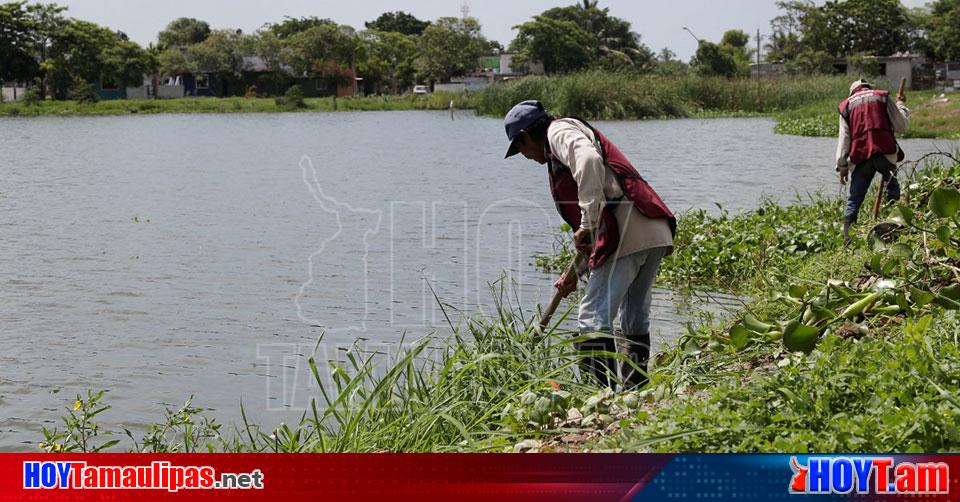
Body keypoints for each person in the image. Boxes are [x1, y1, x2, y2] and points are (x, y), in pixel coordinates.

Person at [503, 100, 675, 389]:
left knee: (593, 317)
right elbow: (594, 237)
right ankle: (635, 393)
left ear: (525, 136)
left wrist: (586, 222)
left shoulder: (558, 131)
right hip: (651, 227)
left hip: (627, 229)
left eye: (519, 148)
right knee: (633, 318)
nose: (525, 156)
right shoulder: (560, 143)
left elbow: (589, 162)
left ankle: (600, 397)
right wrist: (572, 274)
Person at [836, 79, 910, 242]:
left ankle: (848, 238)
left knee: (855, 198)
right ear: (868, 88)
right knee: (893, 188)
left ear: (853, 92)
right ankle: (892, 226)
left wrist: (842, 168)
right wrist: (901, 104)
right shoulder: (882, 97)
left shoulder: (846, 106)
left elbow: (844, 141)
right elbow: (901, 126)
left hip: (861, 156)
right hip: (885, 154)